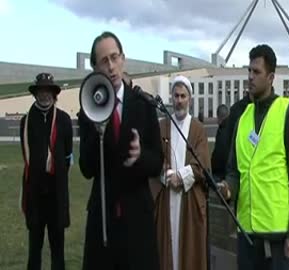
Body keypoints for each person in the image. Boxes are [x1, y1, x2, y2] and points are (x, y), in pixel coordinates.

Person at [78, 31, 163, 269]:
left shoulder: (143, 104)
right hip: (103, 221)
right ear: (95, 68)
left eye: (115, 58)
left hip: (137, 219)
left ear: (123, 58)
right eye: (104, 61)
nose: (111, 66)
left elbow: (157, 161)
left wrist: (140, 156)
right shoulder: (88, 107)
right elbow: (86, 168)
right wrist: (97, 131)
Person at [219, 44, 289, 270]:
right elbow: (234, 169)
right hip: (247, 232)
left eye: (256, 72)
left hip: (278, 235)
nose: (250, 77)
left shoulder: (288, 115)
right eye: (249, 71)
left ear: (270, 77)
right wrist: (228, 188)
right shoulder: (242, 117)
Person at [150, 75, 210, 270]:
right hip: (167, 197)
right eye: (176, 96)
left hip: (188, 199)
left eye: (183, 96)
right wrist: (168, 175)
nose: (179, 100)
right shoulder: (162, 126)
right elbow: (156, 157)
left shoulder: (198, 129)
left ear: (189, 99)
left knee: (188, 251)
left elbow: (201, 162)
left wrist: (181, 177)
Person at [20, 72, 73, 270]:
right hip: (34, 196)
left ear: (54, 93)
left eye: (48, 90)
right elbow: (27, 158)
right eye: (41, 91)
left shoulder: (64, 120)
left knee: (58, 250)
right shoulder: (26, 121)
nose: (45, 95)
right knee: (34, 249)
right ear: (35, 94)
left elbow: (68, 156)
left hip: (56, 196)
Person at [211, 104, 230, 181]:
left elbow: (218, 154)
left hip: (222, 174)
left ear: (219, 117)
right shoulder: (236, 124)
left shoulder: (222, 130)